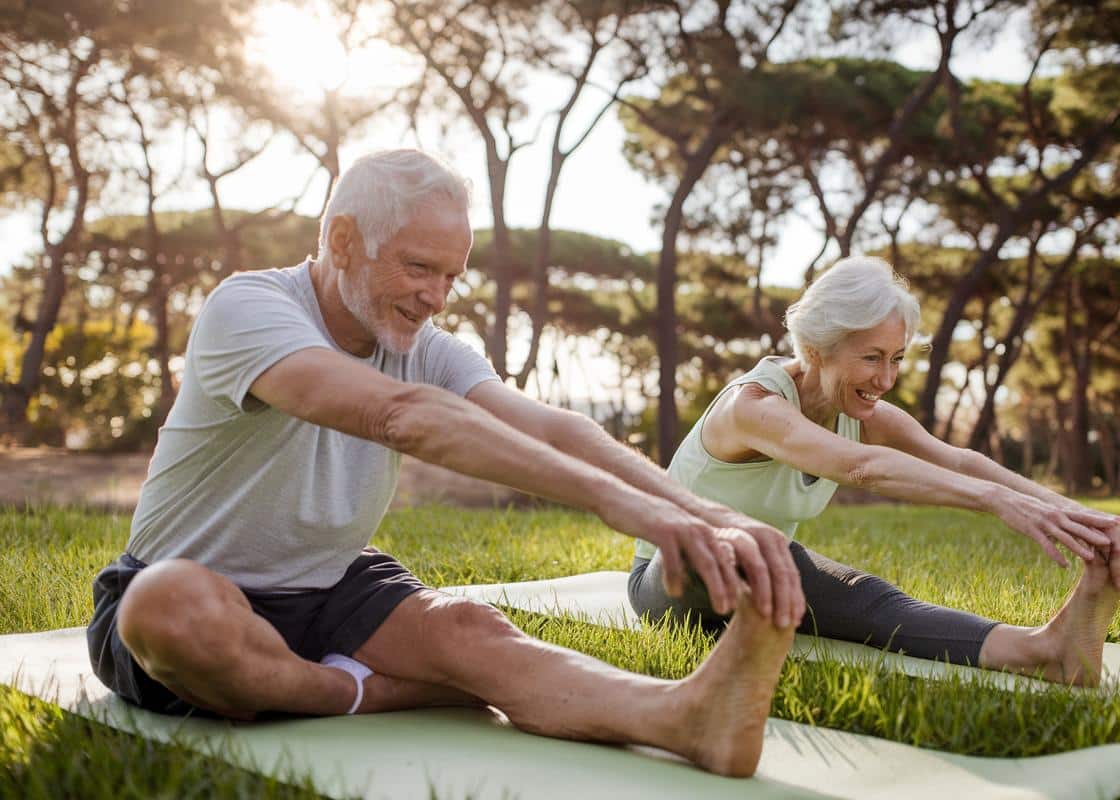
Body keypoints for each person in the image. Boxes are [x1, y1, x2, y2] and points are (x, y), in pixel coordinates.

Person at [85, 148, 809, 778]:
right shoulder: (249, 308)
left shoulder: (423, 343)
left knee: (469, 628)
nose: (435, 296)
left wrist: (703, 511)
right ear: (343, 240)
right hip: (189, 586)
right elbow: (400, 415)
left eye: (451, 276)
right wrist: (612, 503)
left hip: (330, 584)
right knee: (167, 607)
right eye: (418, 267)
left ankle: (689, 717)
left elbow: (550, 428)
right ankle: (354, 692)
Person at [628, 257, 1120, 687]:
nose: (886, 379)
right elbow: (861, 468)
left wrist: (1076, 515)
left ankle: (1047, 649)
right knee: (730, 541)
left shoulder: (857, 410)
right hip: (676, 574)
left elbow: (959, 460)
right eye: (871, 358)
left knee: (869, 599)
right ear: (814, 350)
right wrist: (994, 501)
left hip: (766, 566)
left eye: (895, 358)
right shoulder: (753, 407)